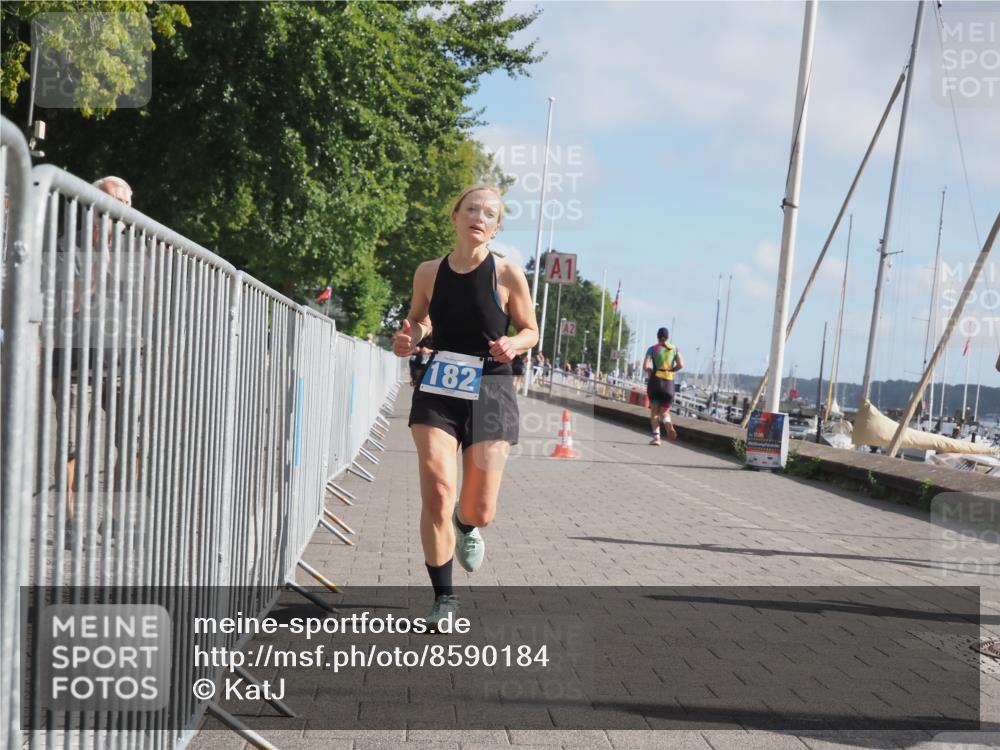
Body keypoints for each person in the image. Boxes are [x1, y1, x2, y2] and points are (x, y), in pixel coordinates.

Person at [392, 184, 538, 628]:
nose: (479, 216)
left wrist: (514, 342)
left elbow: (531, 329)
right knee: (437, 489)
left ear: (495, 229)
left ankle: (466, 523)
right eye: (471, 208)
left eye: (489, 213)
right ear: (455, 216)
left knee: (480, 510)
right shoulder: (428, 272)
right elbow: (419, 321)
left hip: (491, 388)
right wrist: (409, 340)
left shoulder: (508, 274)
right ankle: (444, 598)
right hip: (439, 385)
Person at [643, 326, 683, 445]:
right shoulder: (675, 349)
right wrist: (672, 370)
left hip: (655, 382)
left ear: (658, 337)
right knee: (665, 411)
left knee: (654, 411)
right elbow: (681, 364)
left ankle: (656, 437)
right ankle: (667, 422)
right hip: (669, 384)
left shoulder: (652, 349)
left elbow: (645, 366)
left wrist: (650, 371)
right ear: (667, 337)